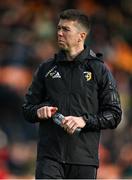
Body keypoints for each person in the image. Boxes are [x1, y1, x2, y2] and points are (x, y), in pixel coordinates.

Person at [22, 9, 122, 179]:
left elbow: (114, 114)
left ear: (81, 36)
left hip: (83, 160)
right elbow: (27, 109)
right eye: (59, 28)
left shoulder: (99, 70)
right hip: (49, 158)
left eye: (66, 29)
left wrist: (84, 120)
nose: (59, 33)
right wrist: (39, 111)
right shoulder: (46, 68)